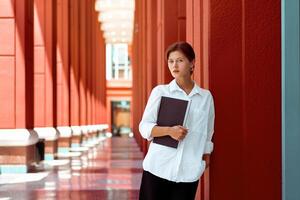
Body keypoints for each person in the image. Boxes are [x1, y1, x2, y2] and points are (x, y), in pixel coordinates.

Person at [138, 41, 215, 200]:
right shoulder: (160, 92)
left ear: (192, 63)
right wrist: (169, 131)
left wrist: (204, 163)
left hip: (188, 173)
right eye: (171, 61)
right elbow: (144, 127)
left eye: (180, 60)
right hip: (158, 168)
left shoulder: (205, 97)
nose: (174, 65)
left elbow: (208, 132)